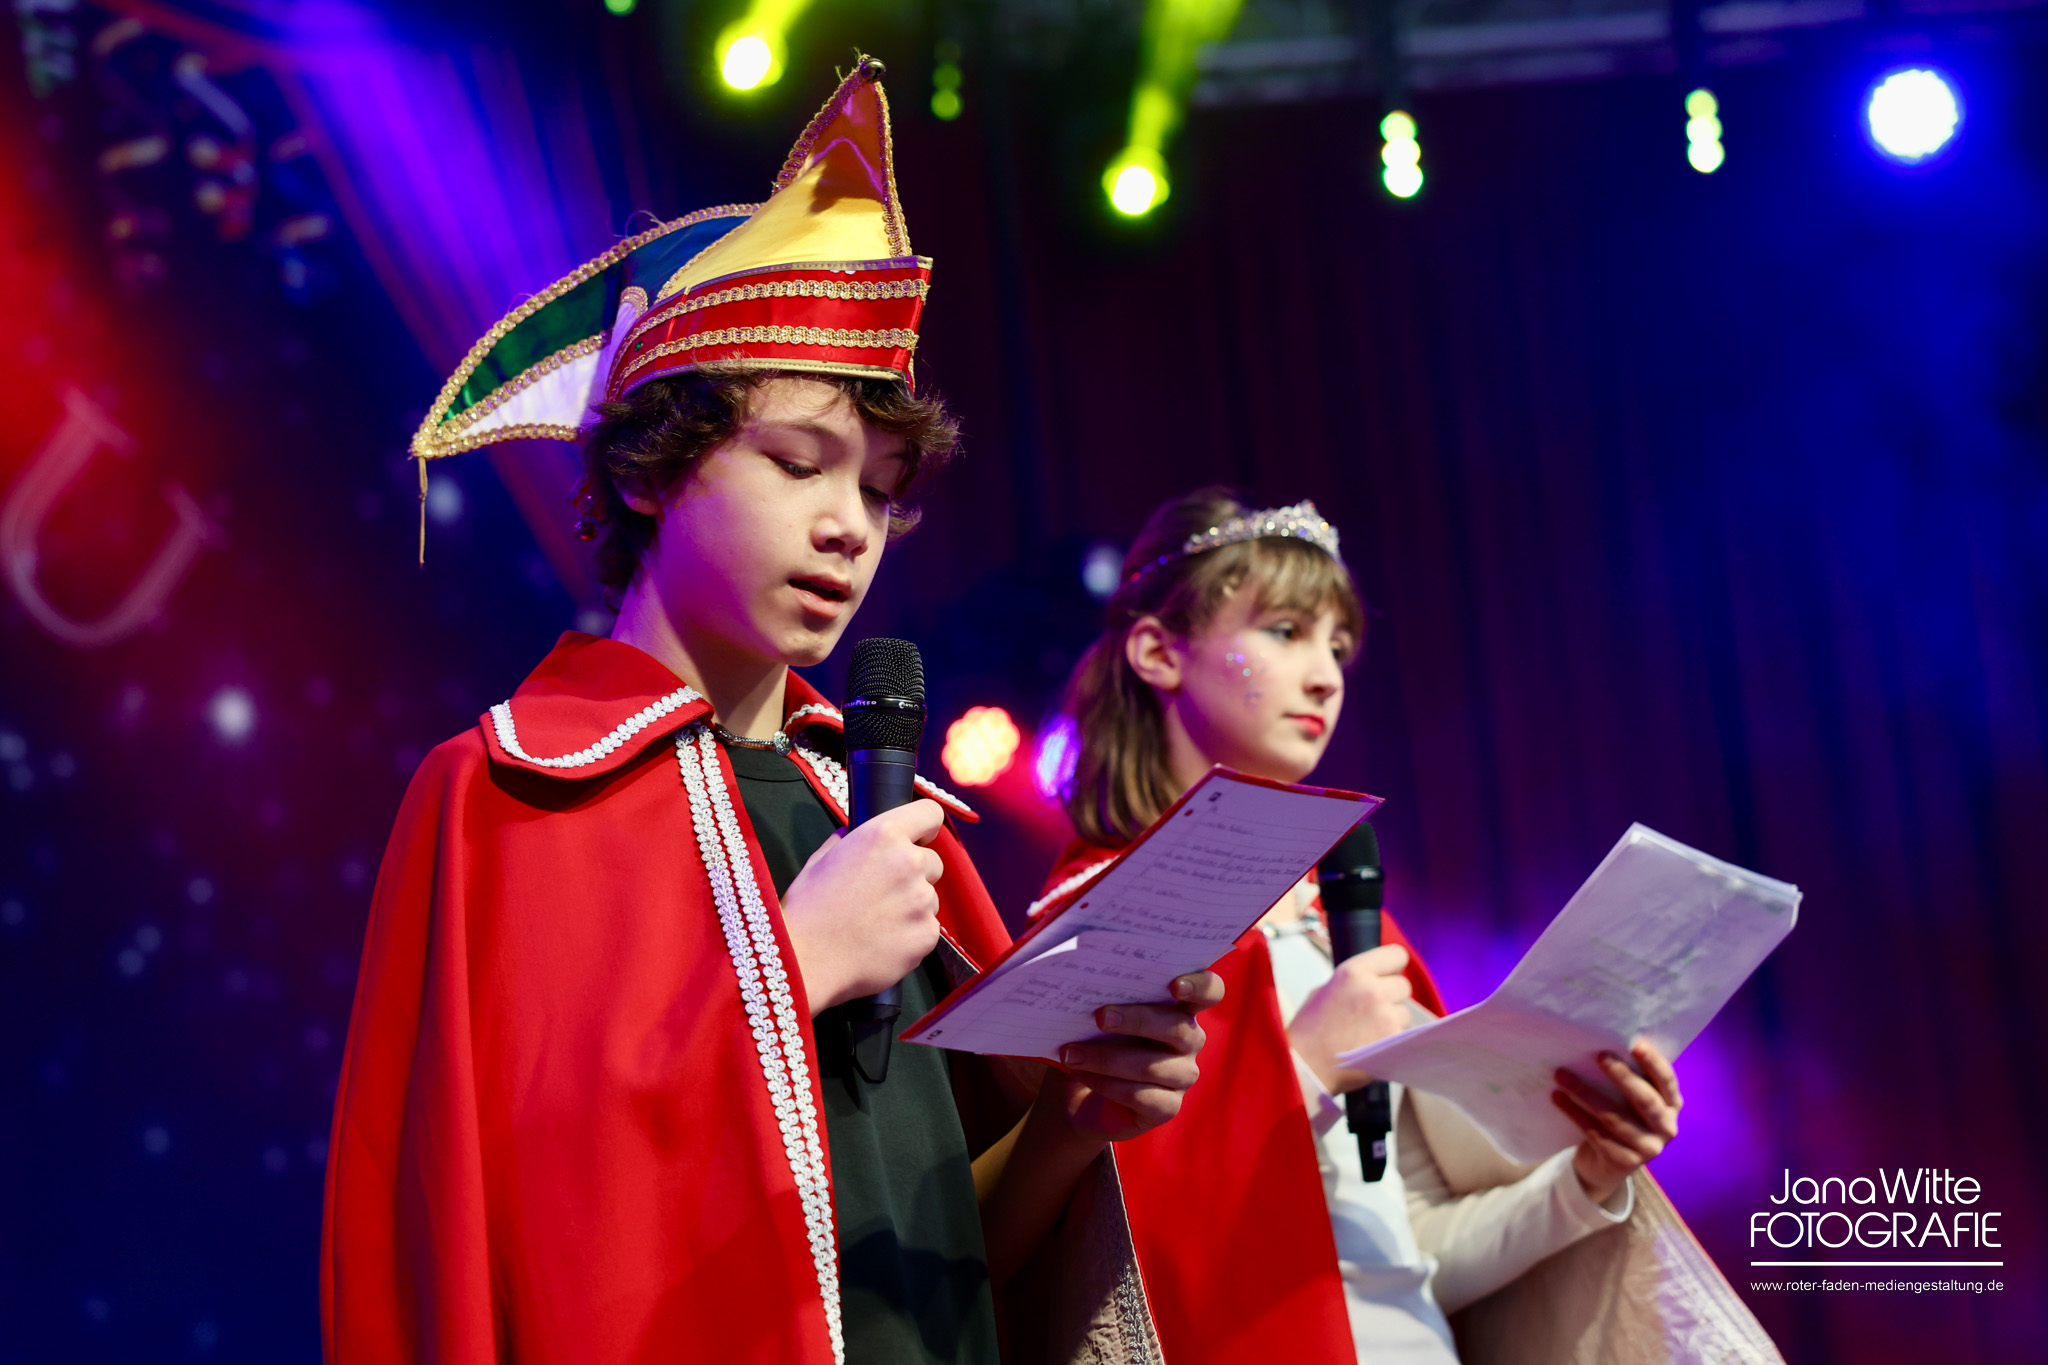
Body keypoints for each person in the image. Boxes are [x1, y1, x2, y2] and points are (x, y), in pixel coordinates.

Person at [323, 63, 1223, 1365]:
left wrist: (1070, 1124)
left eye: (883, 490)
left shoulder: (866, 811)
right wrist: (790, 970)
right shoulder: (503, 800)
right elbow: (522, 1243)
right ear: (652, 467)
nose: (849, 525)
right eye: (798, 463)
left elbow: (936, 1262)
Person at [1038, 487, 1782, 1365]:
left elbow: (1411, 1250)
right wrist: (1307, 1070)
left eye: (1337, 646)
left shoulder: (1347, 926)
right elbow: (1105, 1249)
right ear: (1160, 652)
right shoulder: (1093, 919)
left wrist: (1587, 1176)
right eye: (1285, 630)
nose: (1326, 676)